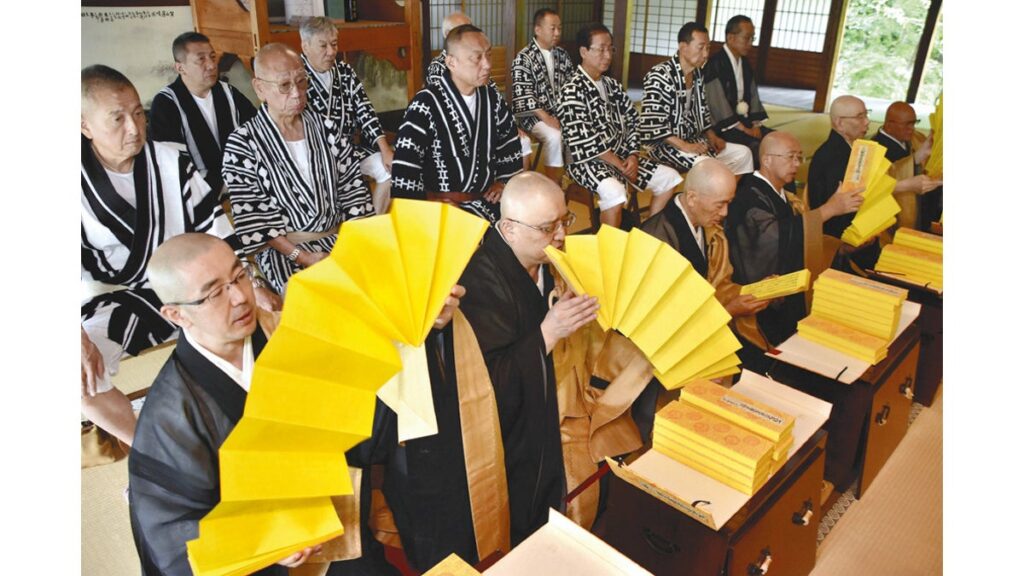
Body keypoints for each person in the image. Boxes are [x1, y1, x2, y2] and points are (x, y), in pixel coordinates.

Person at [127, 234, 317, 575]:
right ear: (175, 314)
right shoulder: (169, 414)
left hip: (343, 528)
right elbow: (174, 537)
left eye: (240, 275)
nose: (240, 297)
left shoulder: (286, 332)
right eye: (215, 293)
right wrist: (263, 542)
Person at [81, 65, 239, 447]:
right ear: (84, 126)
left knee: (251, 329)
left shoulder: (172, 161)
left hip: (190, 284)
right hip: (119, 296)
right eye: (117, 119)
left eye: (138, 113)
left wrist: (242, 280)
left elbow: (217, 230)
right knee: (74, 374)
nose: (134, 128)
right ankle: (152, 450)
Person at [459, 172, 600, 545]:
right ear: (508, 229)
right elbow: (487, 383)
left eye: (563, 221)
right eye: (546, 227)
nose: (560, 236)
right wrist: (548, 332)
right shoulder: (478, 279)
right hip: (512, 436)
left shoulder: (546, 259)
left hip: (552, 405)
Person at [223, 43, 373, 292]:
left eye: (302, 82)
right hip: (285, 252)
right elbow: (255, 220)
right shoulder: (242, 143)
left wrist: (355, 244)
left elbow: (353, 191)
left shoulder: (326, 128)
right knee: (308, 302)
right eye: (284, 85)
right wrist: (302, 257)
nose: (297, 93)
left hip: (340, 241)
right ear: (260, 88)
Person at [725, 131, 862, 352]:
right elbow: (773, 237)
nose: (797, 163)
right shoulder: (749, 195)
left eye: (800, 157)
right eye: (790, 157)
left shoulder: (783, 192)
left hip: (789, 284)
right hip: (761, 297)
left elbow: (798, 234)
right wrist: (829, 209)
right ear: (767, 159)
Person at [640, 158, 769, 369]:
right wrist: (728, 311)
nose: (726, 213)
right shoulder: (655, 240)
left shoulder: (702, 223)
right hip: (666, 351)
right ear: (692, 198)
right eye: (720, 205)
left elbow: (718, 282)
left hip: (703, 326)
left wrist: (755, 291)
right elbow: (662, 321)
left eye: (729, 203)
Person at [391, 25, 522, 223]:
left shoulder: (492, 99)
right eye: (476, 58)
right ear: (451, 62)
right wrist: (428, 202)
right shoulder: (425, 103)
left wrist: (503, 182)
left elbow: (509, 144)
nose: (486, 64)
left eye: (489, 55)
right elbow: (405, 163)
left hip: (485, 205)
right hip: (439, 208)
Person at [559, 23, 683, 228]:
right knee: (615, 192)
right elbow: (585, 140)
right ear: (583, 52)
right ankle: (611, 251)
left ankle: (649, 235)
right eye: (601, 49)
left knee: (669, 178)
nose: (607, 55)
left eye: (610, 49)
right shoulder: (571, 90)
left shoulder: (613, 86)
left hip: (624, 160)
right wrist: (620, 165)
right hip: (588, 162)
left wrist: (633, 156)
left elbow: (634, 121)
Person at [807, 95, 940, 273]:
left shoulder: (852, 147)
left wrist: (916, 159)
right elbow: (854, 196)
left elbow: (876, 179)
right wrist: (904, 186)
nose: (867, 122)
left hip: (862, 235)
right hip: (843, 243)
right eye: (860, 117)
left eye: (866, 114)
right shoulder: (833, 156)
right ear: (839, 123)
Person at [300, 17, 395, 215]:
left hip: (349, 151)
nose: (331, 51)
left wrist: (385, 149)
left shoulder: (344, 72)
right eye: (323, 45)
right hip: (314, 157)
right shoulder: (297, 76)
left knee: (389, 170)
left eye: (334, 44)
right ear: (305, 46)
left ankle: (372, 225)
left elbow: (364, 110)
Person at [640, 22, 754, 179]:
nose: (706, 54)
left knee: (743, 153)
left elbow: (703, 112)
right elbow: (654, 124)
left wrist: (713, 137)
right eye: (700, 47)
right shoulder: (659, 76)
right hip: (664, 145)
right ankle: (705, 201)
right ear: (683, 46)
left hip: (694, 140)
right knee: (709, 165)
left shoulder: (698, 74)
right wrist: (686, 146)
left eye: (708, 48)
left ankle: (726, 200)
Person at [149, 32, 257, 193]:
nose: (212, 65)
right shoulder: (166, 103)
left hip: (242, 185)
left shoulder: (228, 93)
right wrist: (219, 186)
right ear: (180, 68)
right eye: (201, 59)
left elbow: (256, 132)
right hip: (197, 193)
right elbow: (170, 161)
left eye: (212, 57)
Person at [426, 12, 534, 171]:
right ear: (449, 35)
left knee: (521, 141)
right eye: (464, 29)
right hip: (457, 131)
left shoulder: (481, 68)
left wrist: (509, 126)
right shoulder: (437, 67)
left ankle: (516, 189)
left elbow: (495, 100)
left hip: (488, 124)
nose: (487, 64)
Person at [510, 8, 574, 182]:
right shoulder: (524, 57)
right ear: (538, 30)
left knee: (580, 127)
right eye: (552, 28)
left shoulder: (563, 55)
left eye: (559, 28)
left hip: (558, 113)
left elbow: (571, 87)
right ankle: (553, 183)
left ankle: (576, 177)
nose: (557, 33)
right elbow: (523, 94)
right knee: (554, 136)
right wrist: (547, 118)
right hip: (533, 116)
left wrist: (567, 115)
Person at [703, 15, 772, 165]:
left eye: (752, 38)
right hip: (724, 126)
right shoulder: (715, 65)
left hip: (745, 121)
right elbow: (717, 104)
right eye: (746, 38)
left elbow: (753, 96)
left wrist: (755, 124)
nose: (750, 44)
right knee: (755, 147)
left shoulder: (745, 63)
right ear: (731, 38)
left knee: (777, 141)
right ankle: (751, 187)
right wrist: (744, 129)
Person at [872, 101, 941, 228]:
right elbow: (879, 185)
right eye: (907, 124)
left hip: (923, 209)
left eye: (914, 123)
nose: (912, 128)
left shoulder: (912, 138)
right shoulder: (875, 148)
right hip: (895, 219)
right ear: (889, 125)